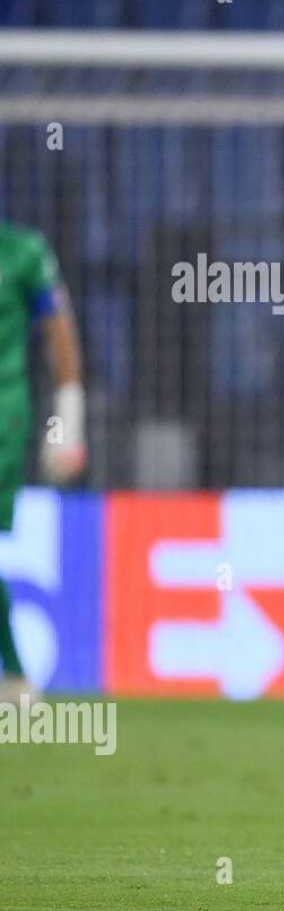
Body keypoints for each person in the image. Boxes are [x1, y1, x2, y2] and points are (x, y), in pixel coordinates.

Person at [0, 222, 87, 704]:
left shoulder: (23, 253)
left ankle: (15, 676)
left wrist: (67, 423)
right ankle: (15, 676)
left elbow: (60, 336)